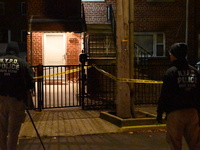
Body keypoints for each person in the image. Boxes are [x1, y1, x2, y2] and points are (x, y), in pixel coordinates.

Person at [156, 43, 200, 150]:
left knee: (175, 144)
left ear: (174, 55)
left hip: (175, 113)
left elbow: (165, 94)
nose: (170, 56)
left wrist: (160, 113)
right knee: (195, 144)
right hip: (192, 112)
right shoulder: (194, 71)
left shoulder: (171, 72)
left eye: (171, 53)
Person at [0, 42, 34, 150]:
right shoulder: (22, 63)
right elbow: (30, 83)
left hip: (0, 99)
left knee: (1, 130)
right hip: (17, 100)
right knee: (13, 130)